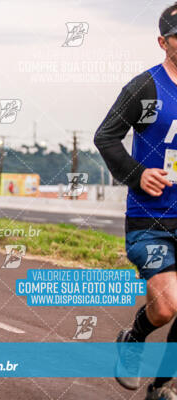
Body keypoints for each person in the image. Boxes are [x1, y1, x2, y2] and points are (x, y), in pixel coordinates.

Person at [94, 3, 177, 398]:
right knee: (166, 307)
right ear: (163, 41)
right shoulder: (146, 87)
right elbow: (105, 136)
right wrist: (137, 174)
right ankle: (134, 336)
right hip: (151, 217)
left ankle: (162, 387)